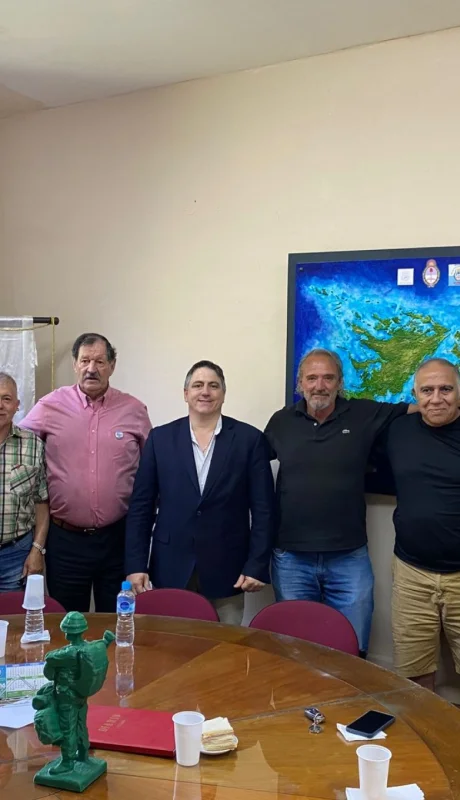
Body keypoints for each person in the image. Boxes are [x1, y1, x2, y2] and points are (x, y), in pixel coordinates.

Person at [265, 348, 414, 655]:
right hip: (291, 558)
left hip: (349, 557)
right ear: (300, 384)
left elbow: (420, 408)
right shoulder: (280, 422)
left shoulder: (363, 414)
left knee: (352, 650)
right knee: (294, 650)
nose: (320, 385)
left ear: (340, 383)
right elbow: (247, 466)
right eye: (312, 378)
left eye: (328, 378)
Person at [125, 359, 275, 625]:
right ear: (186, 394)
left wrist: (257, 565)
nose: (205, 391)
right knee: (170, 647)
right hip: (170, 565)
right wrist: (136, 565)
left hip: (227, 567)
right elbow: (141, 507)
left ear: (223, 394)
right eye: (198, 385)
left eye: (213, 386)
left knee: (222, 652)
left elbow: (263, 509)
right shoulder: (160, 439)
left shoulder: (249, 440)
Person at [21, 333, 151, 612]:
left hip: (118, 538)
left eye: (100, 361)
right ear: (75, 364)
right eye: (85, 361)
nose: (92, 368)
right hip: (65, 541)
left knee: (117, 621)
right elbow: (18, 444)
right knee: (68, 624)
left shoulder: (134, 410)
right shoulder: (49, 406)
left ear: (112, 366)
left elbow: (152, 468)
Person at [381, 358, 460, 691]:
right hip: (411, 572)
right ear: (415, 394)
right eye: (427, 390)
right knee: (413, 674)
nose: (436, 398)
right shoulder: (398, 431)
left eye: (446, 389)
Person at [0, 372, 49, 592]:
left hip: (15, 557)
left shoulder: (32, 445)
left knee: (15, 624)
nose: (0, 405)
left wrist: (37, 550)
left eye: (6, 399)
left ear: (17, 405)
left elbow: (42, 504)